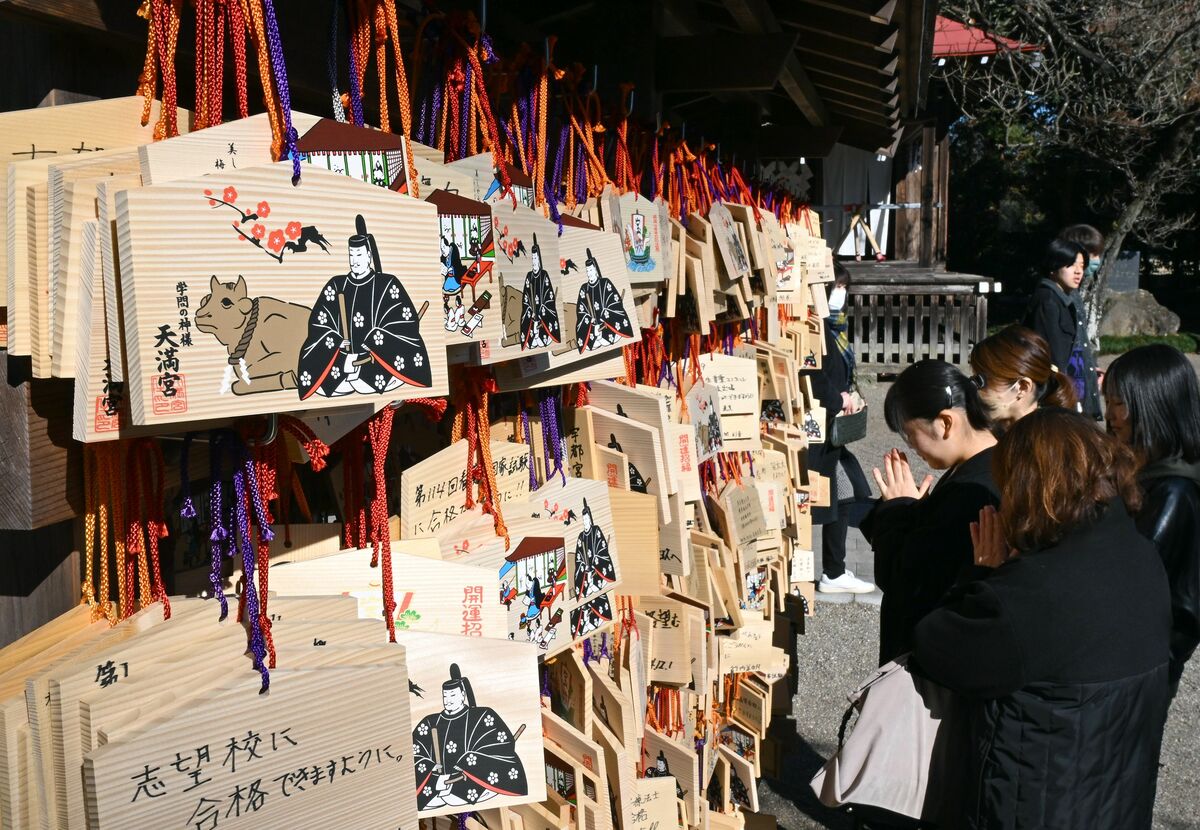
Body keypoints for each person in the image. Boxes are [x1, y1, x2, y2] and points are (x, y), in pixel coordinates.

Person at [913, 409, 1170, 830]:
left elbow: (936, 647)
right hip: (1115, 797)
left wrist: (982, 573)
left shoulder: (1031, 593)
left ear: (1029, 486)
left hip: (1035, 802)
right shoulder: (1140, 555)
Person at [860, 360, 999, 664]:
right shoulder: (993, 462)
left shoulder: (969, 493)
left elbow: (903, 581)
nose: (911, 447)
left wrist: (898, 509)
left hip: (935, 665)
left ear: (945, 423)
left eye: (910, 435)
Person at [1104, 344, 1200, 700]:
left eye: (1119, 403)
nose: (1110, 414)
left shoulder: (1174, 492)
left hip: (1137, 666)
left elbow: (1132, 581)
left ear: (1155, 406)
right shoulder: (1138, 467)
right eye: (1109, 400)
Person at [298, 214, 432, 398]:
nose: (354, 261)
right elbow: (318, 324)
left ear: (369, 256)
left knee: (373, 378)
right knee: (324, 382)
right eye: (351, 255)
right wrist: (336, 341)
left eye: (359, 255)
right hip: (342, 360)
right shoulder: (337, 285)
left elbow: (405, 324)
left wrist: (374, 340)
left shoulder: (387, 284)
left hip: (377, 360)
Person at [808, 263, 875, 595]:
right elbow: (812, 376)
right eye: (838, 286)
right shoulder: (812, 327)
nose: (842, 294)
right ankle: (822, 571)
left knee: (844, 490)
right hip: (815, 426)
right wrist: (840, 398)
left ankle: (833, 571)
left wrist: (850, 396)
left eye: (845, 288)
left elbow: (837, 373)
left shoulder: (833, 327)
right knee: (810, 499)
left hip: (831, 426)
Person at [1023, 238, 1102, 418]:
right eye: (1071, 265)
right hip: (1060, 397)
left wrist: (1092, 367)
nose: (1078, 271)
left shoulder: (1069, 296)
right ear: (1054, 266)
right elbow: (1052, 358)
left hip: (1075, 392)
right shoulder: (1048, 300)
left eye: (1082, 266)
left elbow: (1075, 345)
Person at [968, 325, 1077, 432]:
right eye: (973, 378)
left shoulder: (1048, 443)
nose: (972, 386)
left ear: (1022, 387)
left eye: (980, 380)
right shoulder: (986, 435)